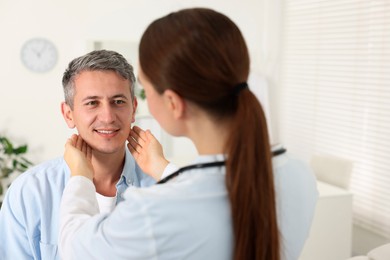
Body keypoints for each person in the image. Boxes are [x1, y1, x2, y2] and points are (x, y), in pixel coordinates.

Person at [59, 8, 318, 260]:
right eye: (92, 102)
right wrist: (164, 169)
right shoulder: (298, 175)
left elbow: (74, 248)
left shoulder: (154, 211)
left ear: (173, 103)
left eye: (144, 91)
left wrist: (81, 176)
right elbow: (210, 198)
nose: (108, 115)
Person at [0, 50, 155, 260]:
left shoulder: (161, 187)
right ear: (68, 114)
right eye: (92, 103)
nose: (108, 117)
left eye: (118, 101)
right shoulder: (30, 192)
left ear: (134, 109)